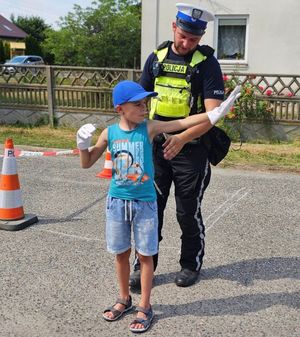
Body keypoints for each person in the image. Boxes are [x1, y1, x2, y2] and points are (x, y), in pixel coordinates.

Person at [76, 80, 240, 332]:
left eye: (145, 103)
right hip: (117, 202)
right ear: (120, 108)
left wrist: (215, 113)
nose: (145, 108)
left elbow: (182, 123)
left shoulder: (149, 128)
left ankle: (145, 305)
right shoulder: (109, 133)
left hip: (145, 204)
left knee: (144, 254)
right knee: (121, 253)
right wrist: (81, 145)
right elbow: (86, 163)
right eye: (138, 104)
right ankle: (124, 299)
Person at [129, 3, 227, 289]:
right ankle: (144, 263)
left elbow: (213, 114)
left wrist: (182, 138)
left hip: (192, 150)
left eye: (194, 39)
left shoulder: (207, 64)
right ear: (174, 27)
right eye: (183, 35)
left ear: (201, 37)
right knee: (150, 210)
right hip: (156, 150)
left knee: (187, 211)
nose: (186, 43)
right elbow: (139, 102)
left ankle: (190, 263)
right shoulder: (156, 58)